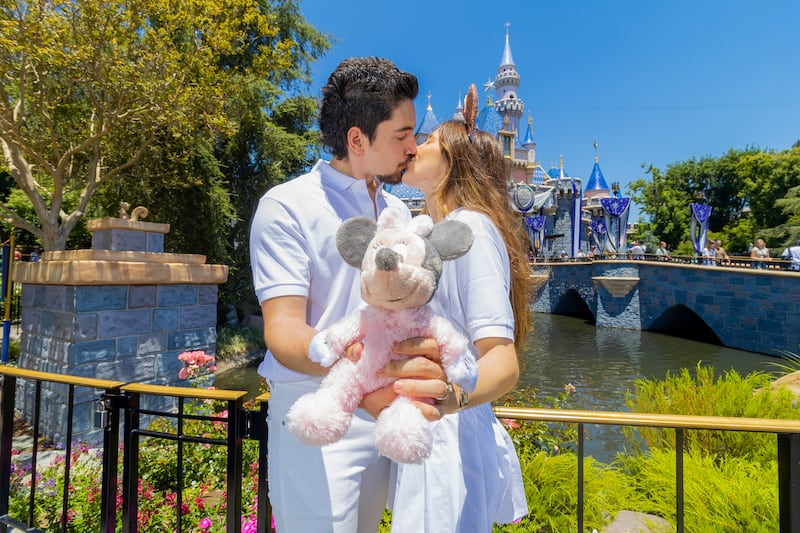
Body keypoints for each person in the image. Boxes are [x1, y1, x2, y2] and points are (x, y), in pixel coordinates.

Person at [250, 57, 439, 532]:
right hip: (319, 414)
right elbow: (283, 329)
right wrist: (357, 375)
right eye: (402, 135)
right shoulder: (287, 206)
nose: (413, 148)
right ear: (357, 139)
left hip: (391, 412)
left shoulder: (398, 211)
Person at [388, 89, 530, 531]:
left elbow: (502, 360)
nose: (413, 146)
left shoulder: (472, 228)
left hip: (450, 439)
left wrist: (452, 398)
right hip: (424, 427)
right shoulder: (431, 234)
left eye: (428, 142)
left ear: (453, 162)